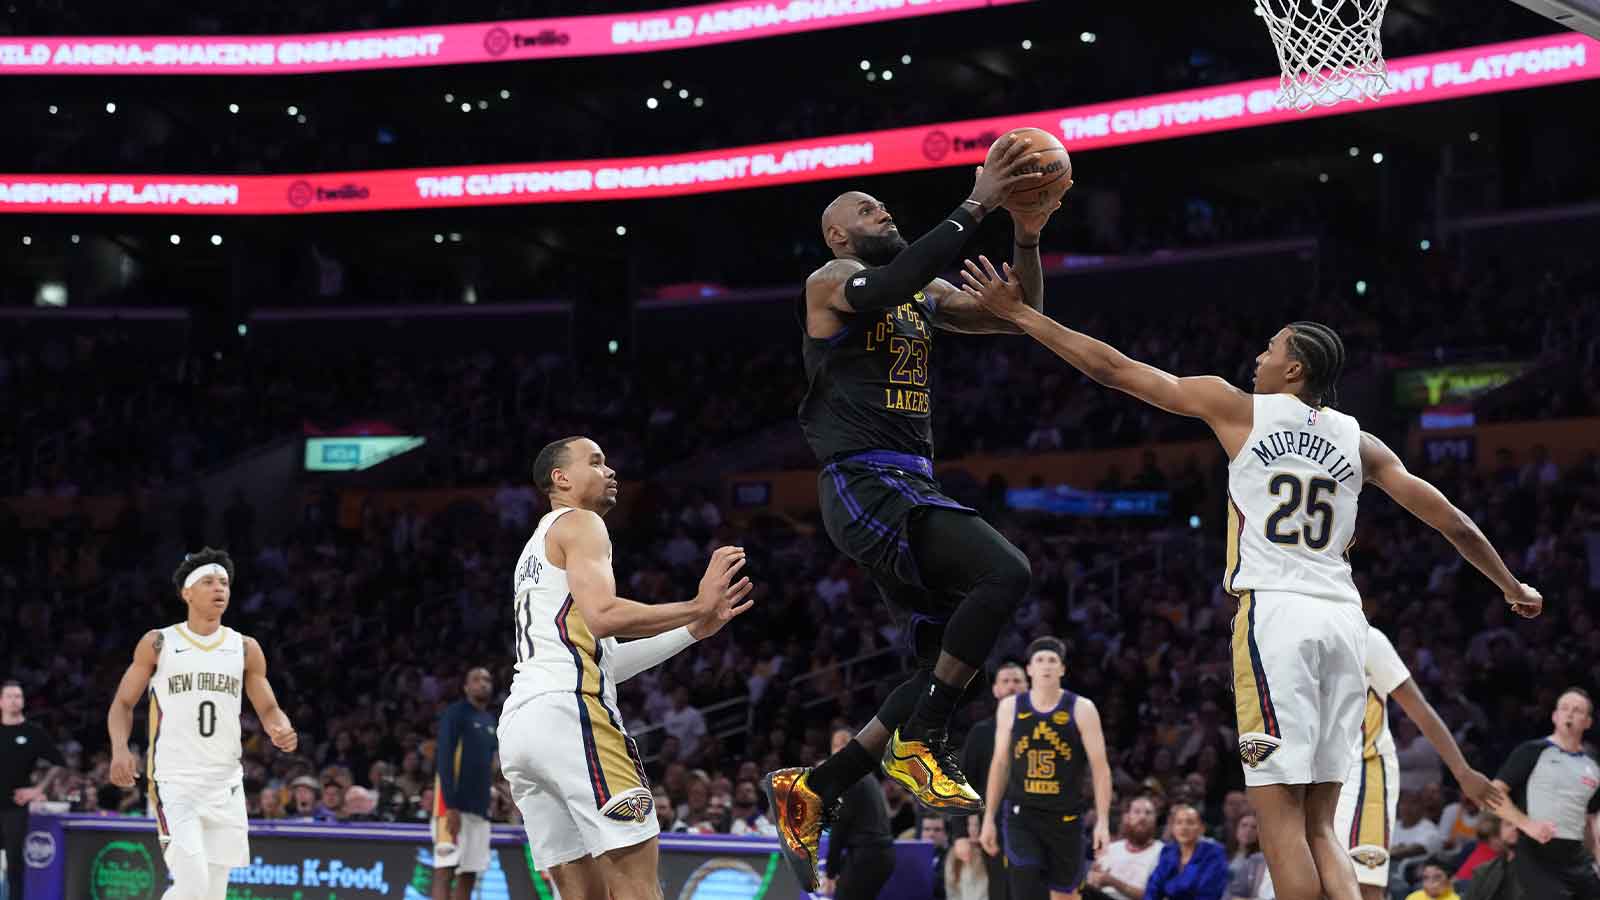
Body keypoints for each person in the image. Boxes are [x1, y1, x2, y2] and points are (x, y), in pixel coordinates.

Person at [957, 260, 1543, 900]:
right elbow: (1452, 522)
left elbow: (1114, 370)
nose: (1257, 357)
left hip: (1277, 620)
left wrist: (1019, 314)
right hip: (1347, 623)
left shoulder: (1238, 408)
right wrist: (1512, 585)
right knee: (1323, 821)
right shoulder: (1361, 442)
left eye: (1270, 349)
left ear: (1295, 370)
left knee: (1276, 817)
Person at [766, 135, 1065, 892]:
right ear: (839, 233)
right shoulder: (831, 279)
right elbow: (894, 277)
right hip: (864, 486)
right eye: (868, 208)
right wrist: (978, 200)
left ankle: (817, 787)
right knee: (1005, 571)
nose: (883, 210)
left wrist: (1026, 235)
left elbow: (1020, 314)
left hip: (910, 486)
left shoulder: (923, 298)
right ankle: (924, 736)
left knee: (939, 667)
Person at [498, 436, 755, 900]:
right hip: (570, 714)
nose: (609, 470)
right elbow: (605, 616)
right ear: (561, 478)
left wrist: (695, 628)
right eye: (595, 462)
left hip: (523, 727)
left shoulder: (534, 549)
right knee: (636, 886)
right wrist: (697, 604)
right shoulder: (582, 523)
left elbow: (601, 660)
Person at [106, 548, 298, 900]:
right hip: (175, 780)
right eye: (208, 582)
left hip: (225, 782)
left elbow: (268, 706)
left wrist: (280, 727)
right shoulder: (159, 642)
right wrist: (120, 749)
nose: (219, 588)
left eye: (224, 582)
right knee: (192, 884)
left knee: (213, 892)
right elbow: (122, 703)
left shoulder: (245, 647)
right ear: (187, 592)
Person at [1333, 626, 1501, 899]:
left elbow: (1420, 711)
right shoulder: (1293, 634)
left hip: (1364, 773)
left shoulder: (1366, 639)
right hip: (1314, 775)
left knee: (1364, 888)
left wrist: (1462, 771)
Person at [979, 637, 1113, 899]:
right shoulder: (1010, 707)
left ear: (1062, 669)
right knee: (1025, 884)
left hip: (1066, 818)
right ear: (1029, 669)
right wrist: (988, 819)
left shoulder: (1082, 709)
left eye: (1052, 660)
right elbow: (1000, 764)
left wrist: (1103, 821)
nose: (1046, 666)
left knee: (1065, 895)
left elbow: (1100, 769)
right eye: (1040, 660)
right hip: (1022, 816)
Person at [1485, 687, 1600, 899]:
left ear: (1588, 722)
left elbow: (1592, 818)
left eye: (1577, 710)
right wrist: (1524, 823)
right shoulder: (1532, 751)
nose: (1570, 714)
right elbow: (1491, 795)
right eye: (1564, 708)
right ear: (1555, 716)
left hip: (1576, 855)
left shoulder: (1593, 766)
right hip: (1536, 853)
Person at [962, 661, 1028, 900]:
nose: (1011, 686)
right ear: (996, 690)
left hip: (1037, 822)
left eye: (1017, 681)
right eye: (1006, 681)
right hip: (996, 825)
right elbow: (962, 782)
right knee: (1001, 889)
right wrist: (960, 834)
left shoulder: (1041, 726)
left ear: (1028, 687)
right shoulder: (981, 733)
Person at [432, 667, 498, 900]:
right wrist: (450, 805)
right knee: (445, 869)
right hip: (451, 807)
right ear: (466, 687)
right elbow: (444, 759)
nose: (483, 684)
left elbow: (489, 765)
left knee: (470, 871)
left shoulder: (490, 721)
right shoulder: (456, 714)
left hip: (479, 809)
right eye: (477, 679)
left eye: (487, 679)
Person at [1, 681, 65, 900]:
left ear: (23, 701)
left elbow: (59, 762)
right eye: (9, 696)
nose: (13, 700)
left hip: (14, 807)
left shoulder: (33, 732)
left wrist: (37, 789)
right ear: (1, 702)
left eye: (17, 696)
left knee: (14, 861)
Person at [822, 728, 896, 900]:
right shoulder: (864, 774)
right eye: (835, 745)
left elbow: (840, 826)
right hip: (877, 855)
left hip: (869, 855)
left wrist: (831, 873)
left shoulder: (849, 776)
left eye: (845, 744)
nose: (840, 749)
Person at [1143, 805, 1230, 900]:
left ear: (1201, 829)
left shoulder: (1214, 853)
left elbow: (1209, 894)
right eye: (1179, 823)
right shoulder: (1168, 852)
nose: (1184, 827)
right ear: (1173, 828)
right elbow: (1153, 888)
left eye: (1190, 822)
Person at [1086, 796, 1164, 900]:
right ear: (1126, 817)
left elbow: (1155, 896)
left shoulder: (1164, 853)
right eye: (1137, 812)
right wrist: (1093, 878)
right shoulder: (1111, 849)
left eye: (1148, 813)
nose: (1142, 817)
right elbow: (1095, 881)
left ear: (1155, 819)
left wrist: (1112, 882)